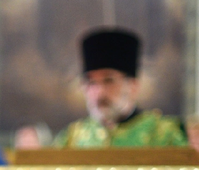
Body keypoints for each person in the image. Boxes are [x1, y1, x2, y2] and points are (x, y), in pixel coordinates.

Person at [55, 28, 187, 148]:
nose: (99, 92)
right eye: (91, 82)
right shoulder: (72, 137)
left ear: (133, 85)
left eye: (109, 80)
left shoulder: (164, 133)